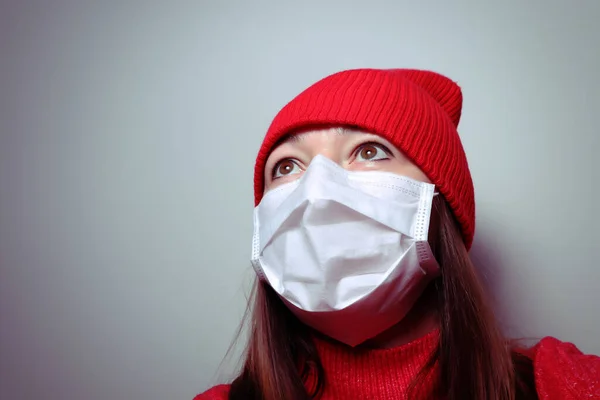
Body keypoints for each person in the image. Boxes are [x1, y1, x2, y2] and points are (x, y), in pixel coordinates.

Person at [195, 69, 600, 400]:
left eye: (369, 151)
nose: (316, 190)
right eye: (286, 166)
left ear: (440, 206)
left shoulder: (560, 383)